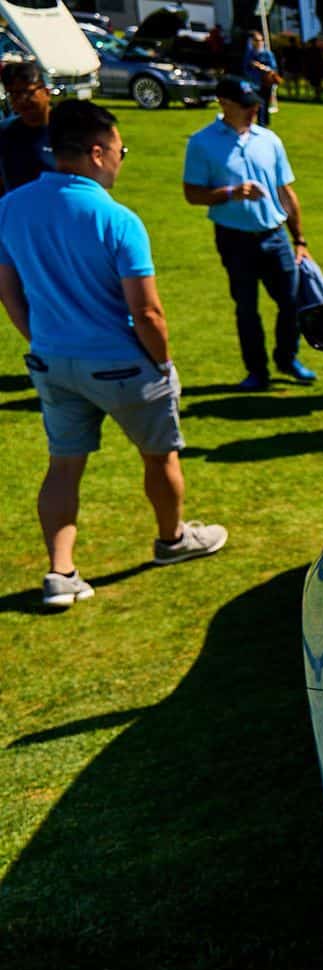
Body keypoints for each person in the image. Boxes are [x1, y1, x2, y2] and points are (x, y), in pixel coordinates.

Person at [0, 98, 226, 609]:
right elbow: (147, 312)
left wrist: (40, 339)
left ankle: (60, 573)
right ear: (98, 153)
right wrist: (163, 364)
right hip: (123, 366)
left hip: (53, 362)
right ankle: (171, 540)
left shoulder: (11, 206)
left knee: (63, 466)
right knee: (160, 456)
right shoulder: (118, 219)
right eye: (121, 151)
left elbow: (8, 292)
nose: (121, 161)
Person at [182, 77, 314, 390]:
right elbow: (192, 194)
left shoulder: (269, 140)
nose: (254, 110)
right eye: (246, 106)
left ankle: (287, 358)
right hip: (234, 239)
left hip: (275, 235)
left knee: (291, 301)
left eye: (255, 104)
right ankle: (257, 372)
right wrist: (231, 193)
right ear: (224, 104)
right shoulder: (201, 143)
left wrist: (299, 239)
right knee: (246, 308)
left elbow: (285, 191)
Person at [0, 63, 52, 193]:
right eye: (14, 94)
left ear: (46, 92)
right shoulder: (5, 133)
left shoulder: (69, 130)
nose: (22, 100)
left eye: (28, 92)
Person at [236, 29, 278, 118]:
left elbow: (273, 67)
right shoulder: (249, 54)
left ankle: (264, 123)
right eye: (256, 40)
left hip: (265, 82)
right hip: (253, 82)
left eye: (261, 40)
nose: (259, 42)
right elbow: (245, 68)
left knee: (264, 103)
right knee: (256, 104)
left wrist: (262, 67)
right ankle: (259, 122)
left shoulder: (267, 54)